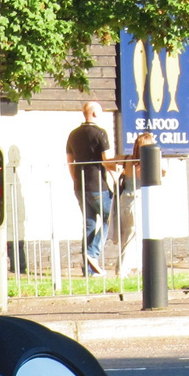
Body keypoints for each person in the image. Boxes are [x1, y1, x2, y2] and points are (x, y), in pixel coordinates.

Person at [65, 101, 116, 274]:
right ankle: (92, 254)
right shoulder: (100, 133)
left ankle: (89, 270)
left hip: (80, 187)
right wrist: (118, 175)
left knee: (89, 224)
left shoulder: (73, 134)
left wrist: (76, 181)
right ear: (94, 113)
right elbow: (107, 161)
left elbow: (70, 162)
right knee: (113, 217)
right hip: (97, 185)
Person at [115, 132, 157, 276]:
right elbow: (164, 172)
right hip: (136, 200)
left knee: (131, 233)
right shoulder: (144, 165)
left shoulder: (127, 159)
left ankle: (135, 267)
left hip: (125, 199)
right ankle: (122, 269)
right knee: (133, 235)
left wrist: (116, 172)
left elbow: (106, 162)